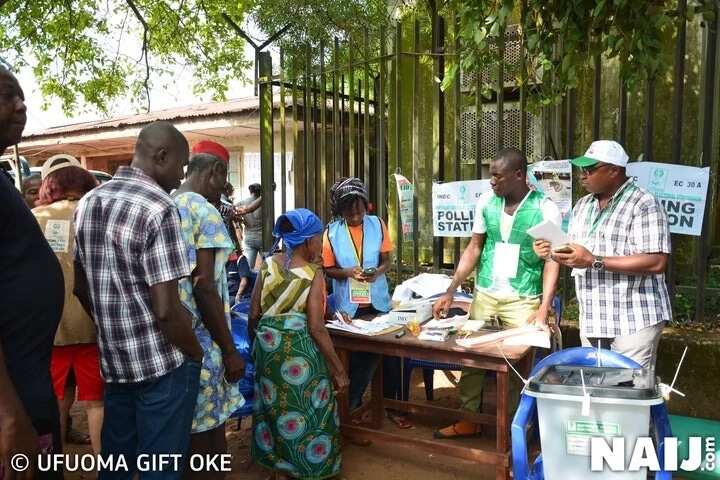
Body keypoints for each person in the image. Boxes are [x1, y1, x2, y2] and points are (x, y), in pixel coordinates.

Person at [74, 121, 203, 480]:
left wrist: (114, 327)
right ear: (161, 156)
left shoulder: (89, 202)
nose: (181, 177)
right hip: (162, 365)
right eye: (181, 166)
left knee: (116, 463)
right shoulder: (160, 208)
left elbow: (80, 288)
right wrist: (194, 351)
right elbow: (166, 309)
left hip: (115, 362)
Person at [432, 148, 562, 439]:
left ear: (519, 175)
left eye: (497, 176)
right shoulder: (487, 203)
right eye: (491, 175)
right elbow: (474, 247)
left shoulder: (545, 208)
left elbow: (553, 259)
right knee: (471, 357)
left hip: (523, 297)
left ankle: (516, 428)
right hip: (486, 294)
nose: (491, 182)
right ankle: (469, 419)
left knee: (518, 365)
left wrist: (543, 308)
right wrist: (451, 289)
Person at [533, 140, 671, 370]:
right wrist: (552, 252)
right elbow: (576, 253)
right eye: (581, 170)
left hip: (633, 317)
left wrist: (594, 261)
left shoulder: (643, 203)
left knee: (628, 389)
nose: (582, 176)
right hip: (594, 315)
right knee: (596, 388)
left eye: (590, 170)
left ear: (614, 171)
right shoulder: (582, 206)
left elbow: (657, 261)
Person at [249, 209, 349, 479]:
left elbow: (254, 313)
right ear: (307, 242)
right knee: (311, 406)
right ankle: (311, 467)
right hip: (300, 353)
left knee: (275, 408)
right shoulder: (313, 274)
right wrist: (338, 369)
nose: (321, 245)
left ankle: (279, 465)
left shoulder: (267, 265)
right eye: (318, 239)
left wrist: (256, 350)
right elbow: (316, 327)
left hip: (268, 351)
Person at [0, 65, 65, 479]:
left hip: (29, 382)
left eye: (22, 95)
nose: (22, 105)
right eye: (8, 95)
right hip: (12, 400)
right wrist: (7, 415)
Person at [172, 152, 245, 480]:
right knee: (208, 437)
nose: (224, 189)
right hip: (205, 343)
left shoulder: (169, 205)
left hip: (175, 338)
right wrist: (229, 350)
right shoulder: (206, 212)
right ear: (215, 171)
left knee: (186, 433)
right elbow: (204, 286)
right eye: (224, 179)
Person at [321, 177, 408, 427]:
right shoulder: (331, 232)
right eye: (348, 207)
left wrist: (378, 272)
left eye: (358, 205)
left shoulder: (378, 224)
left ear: (365, 204)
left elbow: (387, 261)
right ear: (340, 209)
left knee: (391, 354)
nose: (355, 211)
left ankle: (392, 405)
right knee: (360, 355)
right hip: (349, 308)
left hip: (378, 303)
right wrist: (348, 272)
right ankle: (353, 405)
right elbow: (328, 269)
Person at [32, 154, 104, 454]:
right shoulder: (96, 214)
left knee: (57, 403)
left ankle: (55, 469)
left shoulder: (36, 218)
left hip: (51, 329)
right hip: (93, 326)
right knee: (97, 405)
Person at [238, 183, 263, 270]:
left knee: (249, 267)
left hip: (249, 238)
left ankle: (248, 282)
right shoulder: (265, 203)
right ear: (260, 192)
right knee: (267, 267)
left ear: (250, 191)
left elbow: (233, 212)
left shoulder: (242, 203)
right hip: (262, 238)